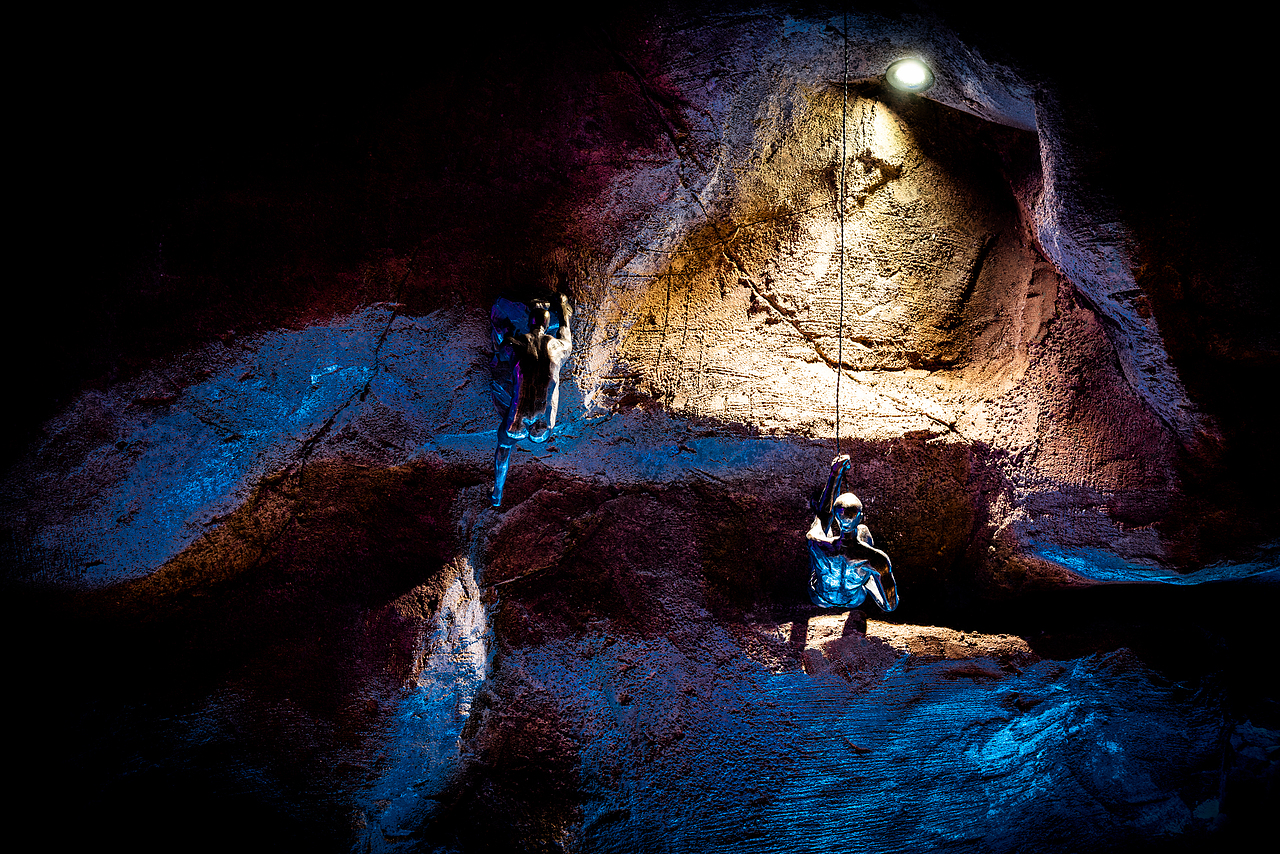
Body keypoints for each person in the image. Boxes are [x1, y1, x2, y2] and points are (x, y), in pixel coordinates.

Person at [489, 293, 573, 507]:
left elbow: (501, 343)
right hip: (543, 427)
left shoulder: (515, 343)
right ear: (547, 324)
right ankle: (498, 493)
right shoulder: (559, 347)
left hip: (517, 421)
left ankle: (497, 493)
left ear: (529, 323)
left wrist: (503, 341)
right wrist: (563, 308)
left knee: (504, 447)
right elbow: (565, 329)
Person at [807, 454, 898, 611]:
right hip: (853, 601)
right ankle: (864, 576)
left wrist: (835, 474)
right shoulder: (878, 559)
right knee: (863, 531)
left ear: (836, 517)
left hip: (820, 598)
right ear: (860, 516)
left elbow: (823, 516)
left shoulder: (814, 541)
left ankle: (826, 571)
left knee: (820, 545)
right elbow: (890, 606)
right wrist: (870, 582)